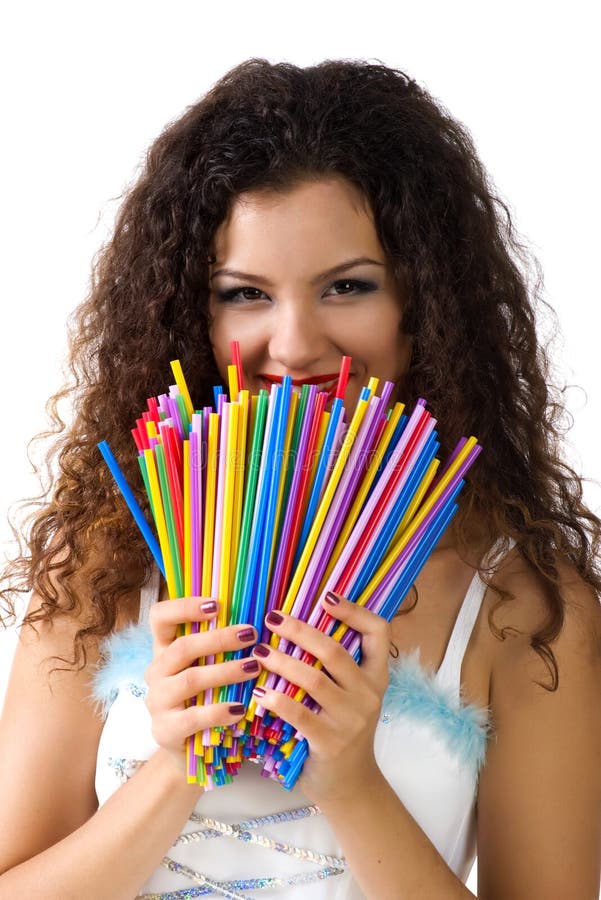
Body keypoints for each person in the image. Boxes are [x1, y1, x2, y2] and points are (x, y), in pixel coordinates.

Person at [0, 57, 599, 899]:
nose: (293, 344)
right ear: (190, 313)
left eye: (347, 286)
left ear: (425, 303)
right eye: (245, 293)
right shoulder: (99, 562)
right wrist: (177, 769)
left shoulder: (525, 606)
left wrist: (351, 783)